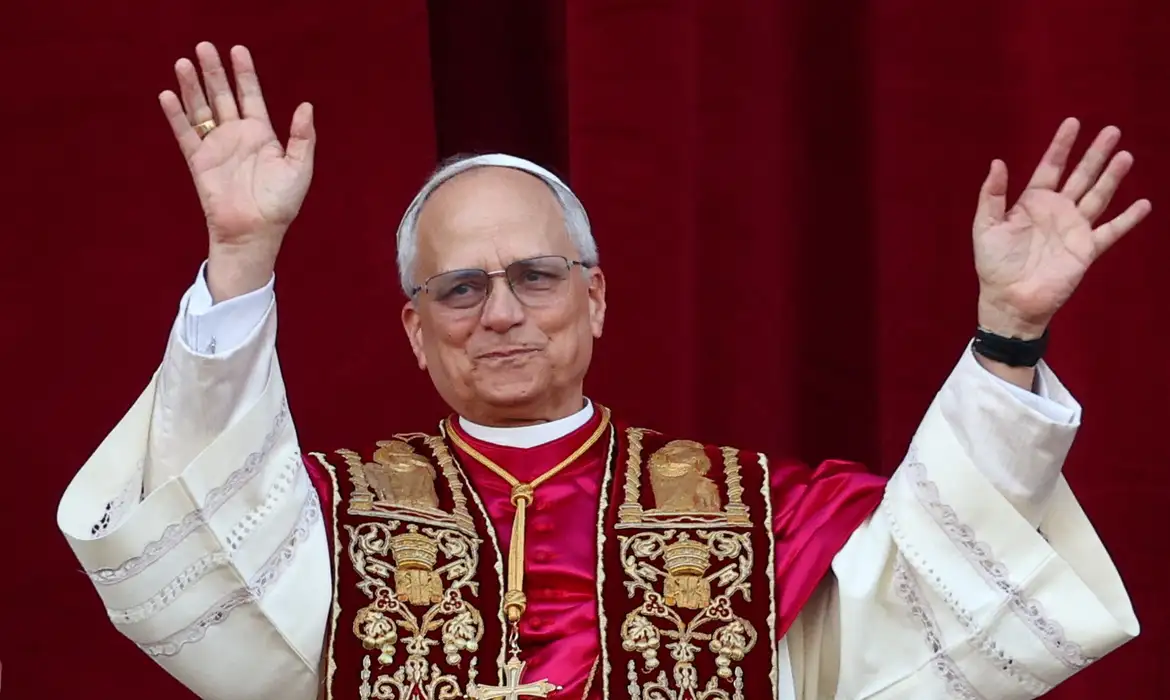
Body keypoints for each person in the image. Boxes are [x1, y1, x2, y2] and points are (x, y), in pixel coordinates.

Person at [56, 41, 1147, 700]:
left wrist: (1007, 333)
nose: (501, 313)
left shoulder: (757, 515)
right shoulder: (325, 517)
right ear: (413, 328)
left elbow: (929, 599)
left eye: (536, 274)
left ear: (597, 297)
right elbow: (205, 546)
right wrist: (242, 257)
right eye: (460, 287)